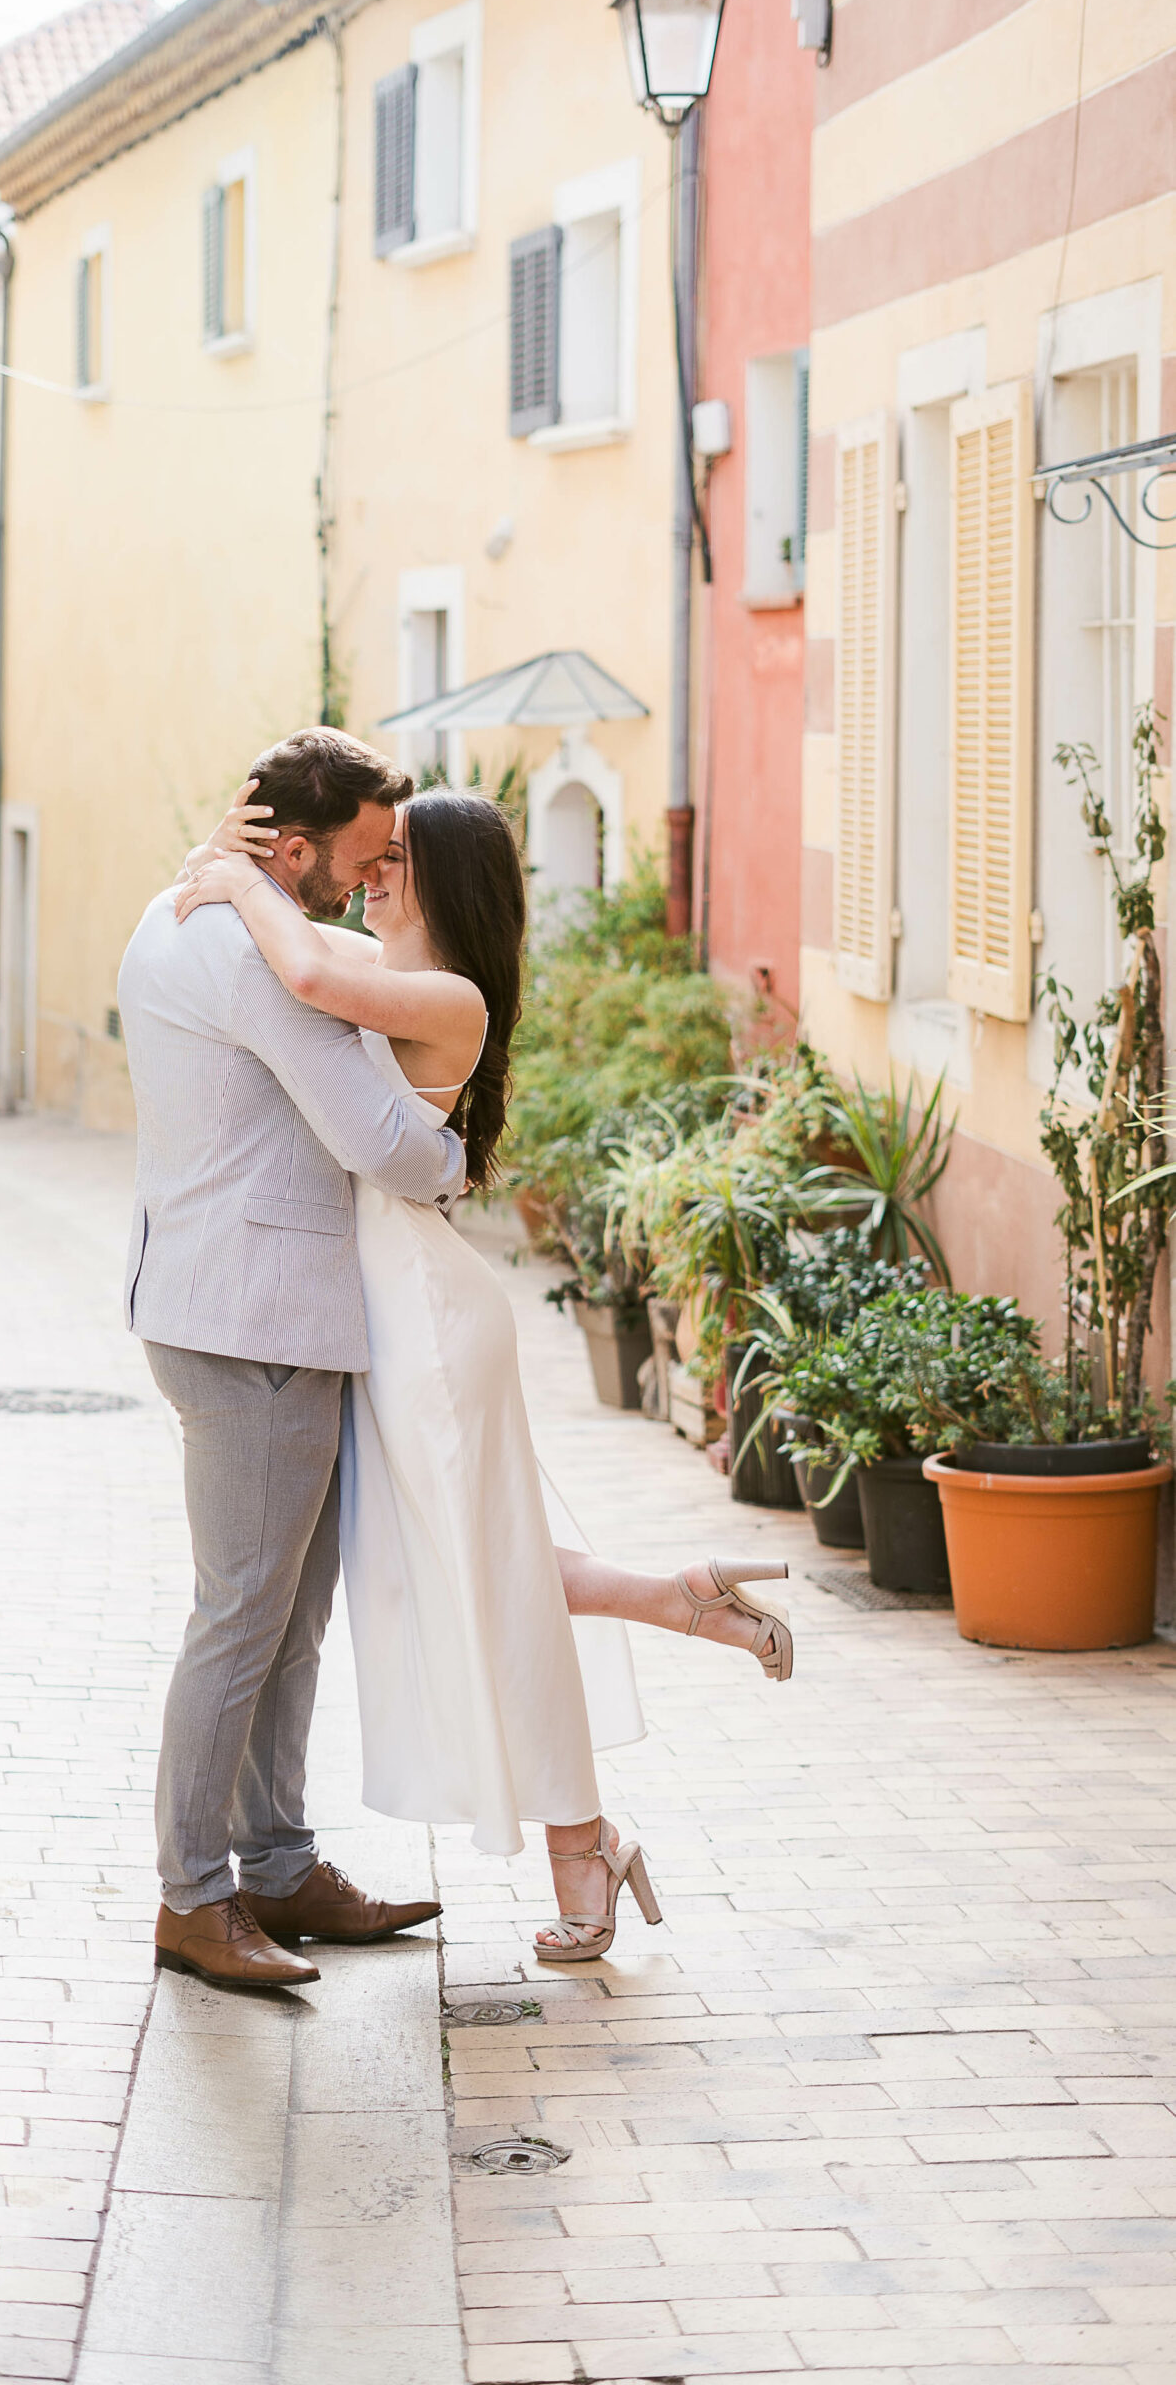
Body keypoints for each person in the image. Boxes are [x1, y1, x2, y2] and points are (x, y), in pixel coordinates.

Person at [175, 773, 792, 1962]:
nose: (373, 865)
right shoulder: (374, 954)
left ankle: (586, 1838)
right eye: (372, 851)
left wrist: (232, 884)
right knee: (464, 1561)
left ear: (445, 875)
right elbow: (298, 945)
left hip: (420, 1316)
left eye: (396, 851)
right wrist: (228, 859)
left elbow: (298, 972)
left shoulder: (443, 994)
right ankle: (677, 1608)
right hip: (381, 1309)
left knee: (471, 1570)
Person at [116, 729, 466, 1993]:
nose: (372, 881)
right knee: (243, 1620)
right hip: (251, 1320)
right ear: (297, 846)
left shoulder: (182, 907)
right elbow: (382, 1137)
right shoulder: (264, 961)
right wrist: (462, 1160)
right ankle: (195, 1898)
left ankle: (275, 1862)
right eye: (364, 858)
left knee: (285, 1620)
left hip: (235, 1307)